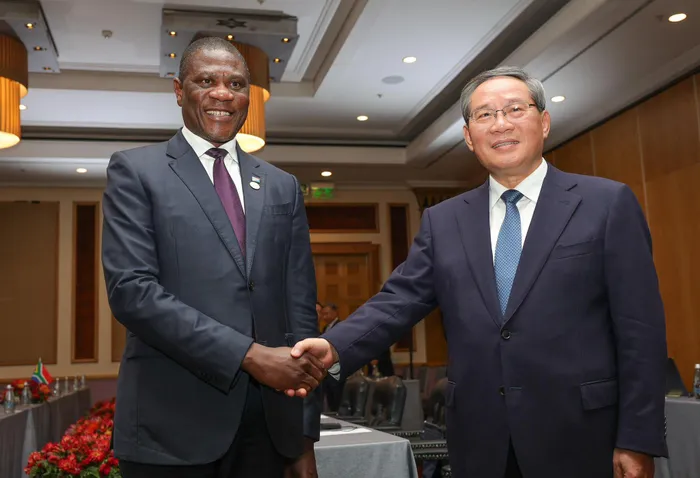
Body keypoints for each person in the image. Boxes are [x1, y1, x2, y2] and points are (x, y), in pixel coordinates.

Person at [289, 66, 668, 478]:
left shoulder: (606, 203)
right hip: (481, 440)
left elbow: (640, 331)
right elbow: (399, 299)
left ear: (543, 122)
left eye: (515, 109)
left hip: (583, 437)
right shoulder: (444, 220)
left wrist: (638, 439)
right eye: (485, 115)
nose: (500, 124)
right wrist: (334, 346)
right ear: (469, 137)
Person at [102, 37, 324, 478]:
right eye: (206, 81)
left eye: (236, 84)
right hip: (170, 429)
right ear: (179, 90)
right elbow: (132, 293)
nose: (223, 94)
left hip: (270, 430)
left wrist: (302, 435)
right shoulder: (136, 171)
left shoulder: (281, 185)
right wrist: (249, 355)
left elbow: (300, 309)